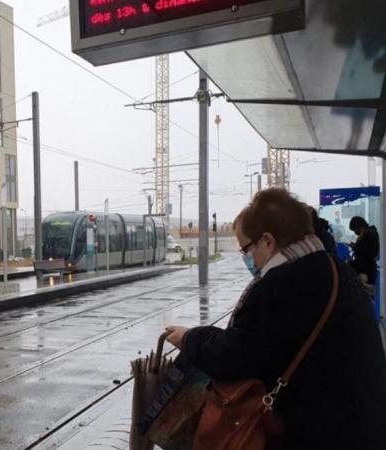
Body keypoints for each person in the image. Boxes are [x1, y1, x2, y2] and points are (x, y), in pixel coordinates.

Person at [165, 189, 386, 450]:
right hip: (364, 426)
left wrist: (190, 338)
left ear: (268, 241)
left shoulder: (281, 287)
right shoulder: (335, 269)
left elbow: (235, 356)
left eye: (245, 249)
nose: (247, 258)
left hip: (318, 434)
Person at [348, 215, 380, 284]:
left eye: (355, 229)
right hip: (363, 268)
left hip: (366, 271)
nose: (355, 232)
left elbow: (370, 253)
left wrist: (355, 248)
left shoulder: (371, 235)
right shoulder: (365, 234)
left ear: (361, 226)